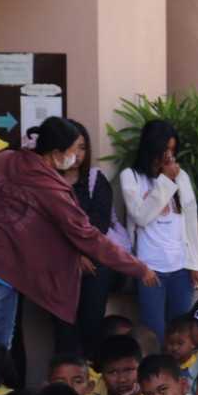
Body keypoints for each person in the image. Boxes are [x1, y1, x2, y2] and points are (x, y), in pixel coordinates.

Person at [0, 117, 157, 347]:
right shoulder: (51, 187)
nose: (75, 156)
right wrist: (138, 267)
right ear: (56, 153)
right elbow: (89, 236)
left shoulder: (2, 159)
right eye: (72, 150)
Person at [116, 119, 198, 340]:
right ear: (150, 146)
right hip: (150, 269)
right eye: (164, 149)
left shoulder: (181, 177)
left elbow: (190, 222)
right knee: (154, 335)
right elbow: (140, 216)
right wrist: (165, 180)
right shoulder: (131, 176)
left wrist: (194, 264)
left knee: (182, 336)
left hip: (181, 268)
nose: (169, 155)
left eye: (172, 149)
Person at [61, 120, 125, 354]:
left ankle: (91, 376)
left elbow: (98, 225)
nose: (77, 154)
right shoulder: (46, 182)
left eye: (82, 147)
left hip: (96, 265)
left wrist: (82, 254)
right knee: (63, 334)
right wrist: (75, 257)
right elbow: (45, 229)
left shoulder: (95, 180)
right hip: (59, 266)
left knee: (91, 329)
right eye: (71, 147)